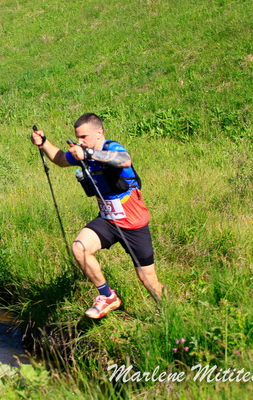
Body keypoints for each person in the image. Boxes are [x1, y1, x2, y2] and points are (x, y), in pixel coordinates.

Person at [30, 113, 164, 319]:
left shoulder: (111, 147)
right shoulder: (82, 153)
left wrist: (89, 153)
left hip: (133, 222)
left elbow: (125, 160)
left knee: (148, 279)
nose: (80, 141)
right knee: (80, 248)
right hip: (108, 220)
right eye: (78, 137)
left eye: (84, 137)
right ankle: (108, 296)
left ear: (99, 133)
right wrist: (44, 142)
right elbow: (60, 159)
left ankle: (168, 313)